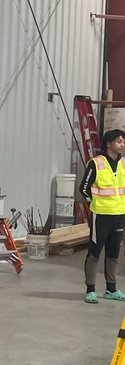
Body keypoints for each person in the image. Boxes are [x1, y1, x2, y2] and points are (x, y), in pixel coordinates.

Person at [79, 128, 125, 303]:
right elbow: (83, 187)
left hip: (120, 215)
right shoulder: (96, 163)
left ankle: (111, 289)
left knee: (113, 253)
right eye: (119, 141)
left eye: (123, 141)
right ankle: (90, 289)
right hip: (101, 216)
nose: (122, 144)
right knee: (95, 252)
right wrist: (94, 202)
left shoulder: (123, 164)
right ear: (109, 143)